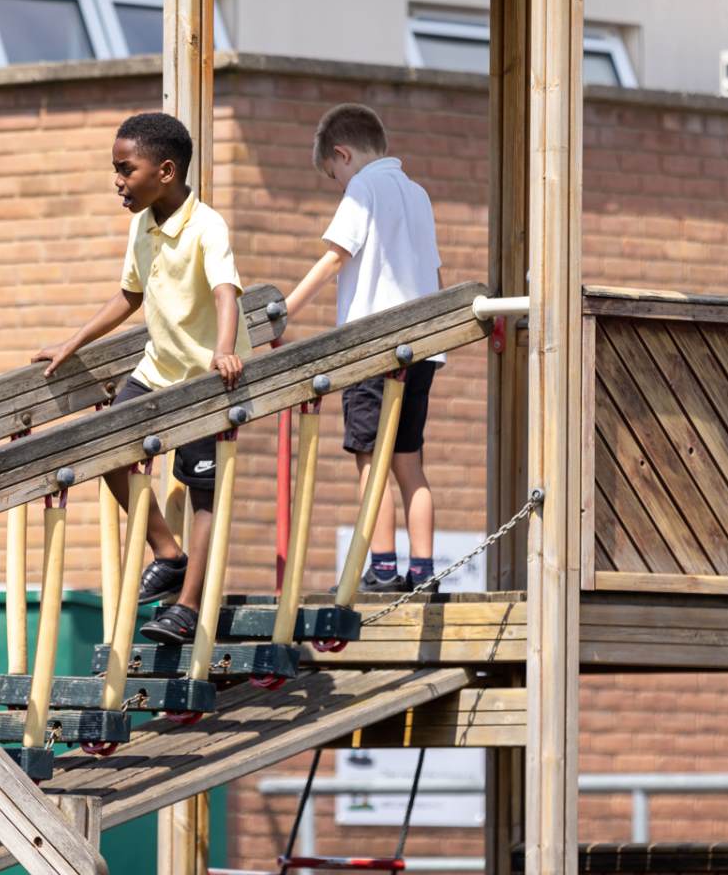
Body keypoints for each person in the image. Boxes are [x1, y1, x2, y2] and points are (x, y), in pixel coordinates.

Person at [33, 111, 249, 646]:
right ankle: (168, 553)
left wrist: (224, 351)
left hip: (206, 381)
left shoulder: (206, 226)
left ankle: (187, 606)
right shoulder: (143, 225)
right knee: (107, 447)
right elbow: (129, 295)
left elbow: (225, 292)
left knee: (203, 492)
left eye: (125, 169)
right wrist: (73, 342)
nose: (117, 181)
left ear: (166, 171)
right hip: (158, 369)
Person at [281, 104, 442, 594]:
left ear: (343, 154)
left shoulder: (363, 188)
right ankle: (423, 572)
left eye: (334, 174)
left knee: (371, 461)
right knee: (410, 463)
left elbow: (335, 257)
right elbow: (435, 272)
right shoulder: (418, 194)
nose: (339, 184)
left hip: (373, 347)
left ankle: (383, 568)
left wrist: (284, 309)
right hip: (423, 344)